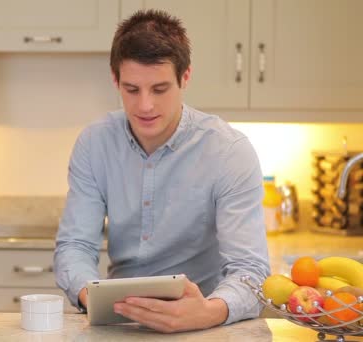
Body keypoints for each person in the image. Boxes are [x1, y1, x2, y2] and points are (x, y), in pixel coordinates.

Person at [54, 9, 270, 332]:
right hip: (118, 324)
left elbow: (250, 271)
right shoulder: (95, 143)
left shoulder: (229, 152)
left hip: (203, 325)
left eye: (159, 89)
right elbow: (75, 247)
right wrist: (93, 297)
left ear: (185, 77)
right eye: (131, 89)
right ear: (115, 80)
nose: (144, 106)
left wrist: (209, 311)